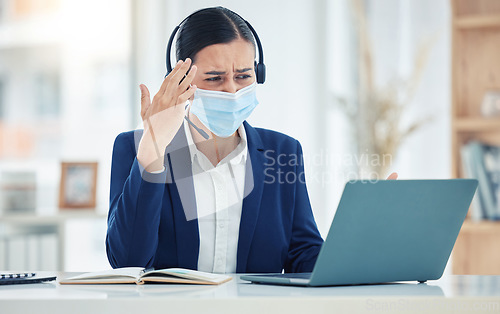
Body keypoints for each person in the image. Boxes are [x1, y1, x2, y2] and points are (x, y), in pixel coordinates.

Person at [106, 6, 396, 274]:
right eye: (214, 78)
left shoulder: (282, 151)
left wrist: (359, 238)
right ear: (179, 81)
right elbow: (127, 261)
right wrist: (153, 151)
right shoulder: (135, 148)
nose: (231, 90)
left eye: (243, 76)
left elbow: (303, 256)